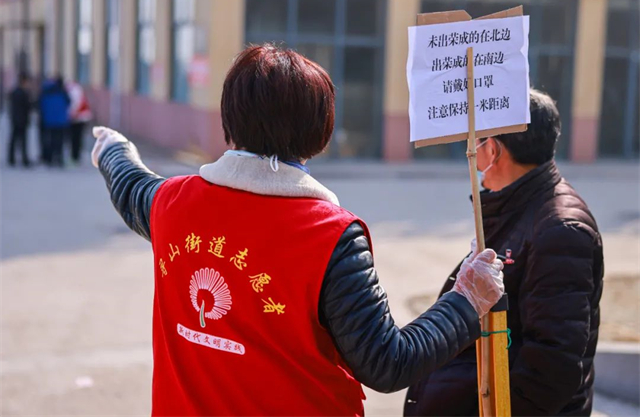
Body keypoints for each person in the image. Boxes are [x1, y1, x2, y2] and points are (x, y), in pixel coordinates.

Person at [91, 44, 505, 416]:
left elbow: (130, 184)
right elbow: (387, 362)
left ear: (228, 118)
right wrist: (466, 301)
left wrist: (112, 149)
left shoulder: (171, 203)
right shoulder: (330, 237)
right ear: (319, 131)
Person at [404, 89, 604, 417]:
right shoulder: (519, 205)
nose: (472, 152)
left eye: (476, 141)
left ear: (494, 149)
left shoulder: (560, 230)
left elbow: (552, 367)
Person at [39, 75, 70, 167]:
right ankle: (58, 158)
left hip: (49, 121)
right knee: (59, 141)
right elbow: (68, 102)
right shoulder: (63, 92)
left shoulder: (46, 91)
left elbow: (41, 104)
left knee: (50, 140)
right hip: (60, 121)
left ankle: (49, 159)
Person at [7, 73, 32, 167]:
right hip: (21, 119)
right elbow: (27, 107)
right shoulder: (23, 93)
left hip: (16, 118)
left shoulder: (15, 92)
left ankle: (12, 158)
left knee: (14, 139)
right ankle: (24, 159)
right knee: (22, 140)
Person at [66, 79, 92, 164]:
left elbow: (76, 105)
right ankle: (75, 156)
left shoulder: (74, 90)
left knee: (76, 138)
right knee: (76, 138)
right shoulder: (76, 89)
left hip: (78, 118)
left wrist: (71, 114)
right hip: (80, 118)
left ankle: (75, 157)